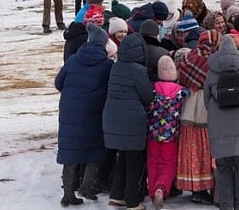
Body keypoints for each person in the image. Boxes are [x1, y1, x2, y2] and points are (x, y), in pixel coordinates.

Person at [55, 23, 113, 206]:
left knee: (70, 152)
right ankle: (87, 187)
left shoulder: (73, 60)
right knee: (94, 150)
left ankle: (68, 194)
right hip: (93, 113)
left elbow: (58, 83)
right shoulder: (107, 65)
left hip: (69, 113)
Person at [205, 36, 239, 210]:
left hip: (220, 129)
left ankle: (226, 206)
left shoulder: (212, 71)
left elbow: (206, 100)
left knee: (223, 170)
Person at [103, 33, 154, 210]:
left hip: (113, 117)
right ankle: (132, 200)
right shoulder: (139, 70)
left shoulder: (116, 67)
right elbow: (147, 96)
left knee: (122, 157)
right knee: (134, 160)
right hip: (133, 120)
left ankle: (117, 194)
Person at [176, 31, 222, 205]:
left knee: (191, 147)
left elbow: (180, 77)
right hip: (205, 105)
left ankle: (194, 187)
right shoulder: (214, 60)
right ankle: (205, 186)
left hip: (188, 104)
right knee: (205, 147)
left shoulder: (188, 57)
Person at [147, 55, 190, 210]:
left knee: (153, 162)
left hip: (153, 133)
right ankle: (162, 188)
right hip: (171, 135)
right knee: (168, 163)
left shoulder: (152, 88)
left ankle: (152, 191)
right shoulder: (181, 92)